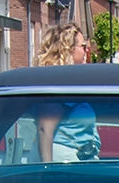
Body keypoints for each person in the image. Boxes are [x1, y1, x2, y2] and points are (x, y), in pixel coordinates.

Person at [35, 23, 101, 162]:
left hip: (77, 159)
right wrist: (48, 169)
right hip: (64, 160)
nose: (87, 50)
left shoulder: (70, 84)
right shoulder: (58, 85)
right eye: (83, 46)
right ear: (68, 49)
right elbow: (45, 129)